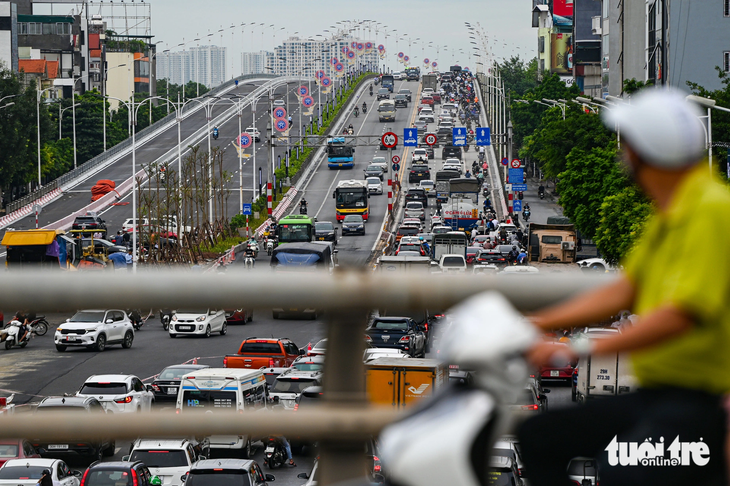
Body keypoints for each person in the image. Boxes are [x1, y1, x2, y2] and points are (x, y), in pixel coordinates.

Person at [518, 88, 730, 486]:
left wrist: (575, 348)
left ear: (645, 152)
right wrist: (537, 322)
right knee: (538, 437)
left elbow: (681, 313)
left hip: (698, 403)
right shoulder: (670, 214)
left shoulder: (712, 209)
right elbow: (625, 291)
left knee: (620, 472)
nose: (623, 157)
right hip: (656, 395)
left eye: (627, 146)